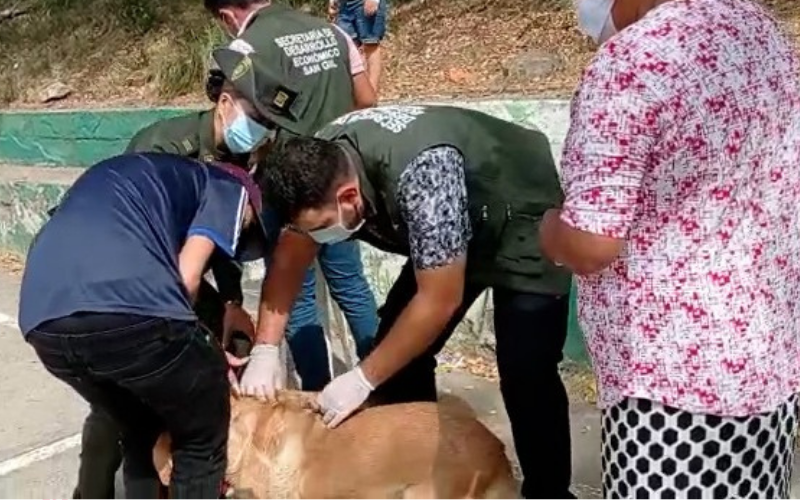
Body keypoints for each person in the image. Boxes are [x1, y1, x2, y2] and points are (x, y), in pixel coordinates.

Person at [538, 0, 800, 498]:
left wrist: (550, 229)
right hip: (768, 360)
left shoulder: (631, 63)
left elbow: (591, 244)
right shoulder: (759, 29)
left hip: (668, 388)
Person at [252, 104, 575, 499]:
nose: (319, 239)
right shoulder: (316, 168)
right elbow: (289, 259)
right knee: (398, 361)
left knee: (527, 370)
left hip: (520, 214)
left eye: (322, 228)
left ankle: (550, 492)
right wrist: (265, 348)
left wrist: (362, 379)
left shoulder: (424, 175)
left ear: (349, 196)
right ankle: (423, 470)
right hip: (449, 232)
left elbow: (439, 299)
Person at [20, 152, 271, 499]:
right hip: (127, 307)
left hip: (42, 320)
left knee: (141, 430)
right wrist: (208, 356)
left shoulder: (123, 182)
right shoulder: (227, 186)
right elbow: (187, 278)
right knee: (200, 440)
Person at [330, 0, 387, 94]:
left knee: (370, 45)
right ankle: (360, 95)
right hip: (343, 5)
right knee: (350, 47)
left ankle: (371, 96)